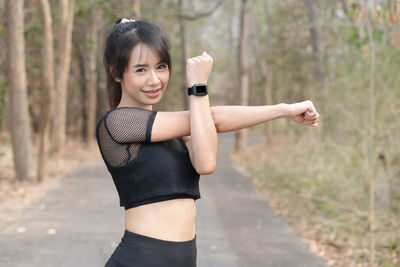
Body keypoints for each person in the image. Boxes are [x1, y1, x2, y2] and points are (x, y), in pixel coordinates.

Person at [96, 18, 319, 267]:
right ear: (117, 73)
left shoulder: (175, 130)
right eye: (140, 69)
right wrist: (199, 86)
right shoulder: (116, 123)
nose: (154, 79)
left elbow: (205, 162)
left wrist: (284, 110)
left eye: (160, 66)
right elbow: (212, 117)